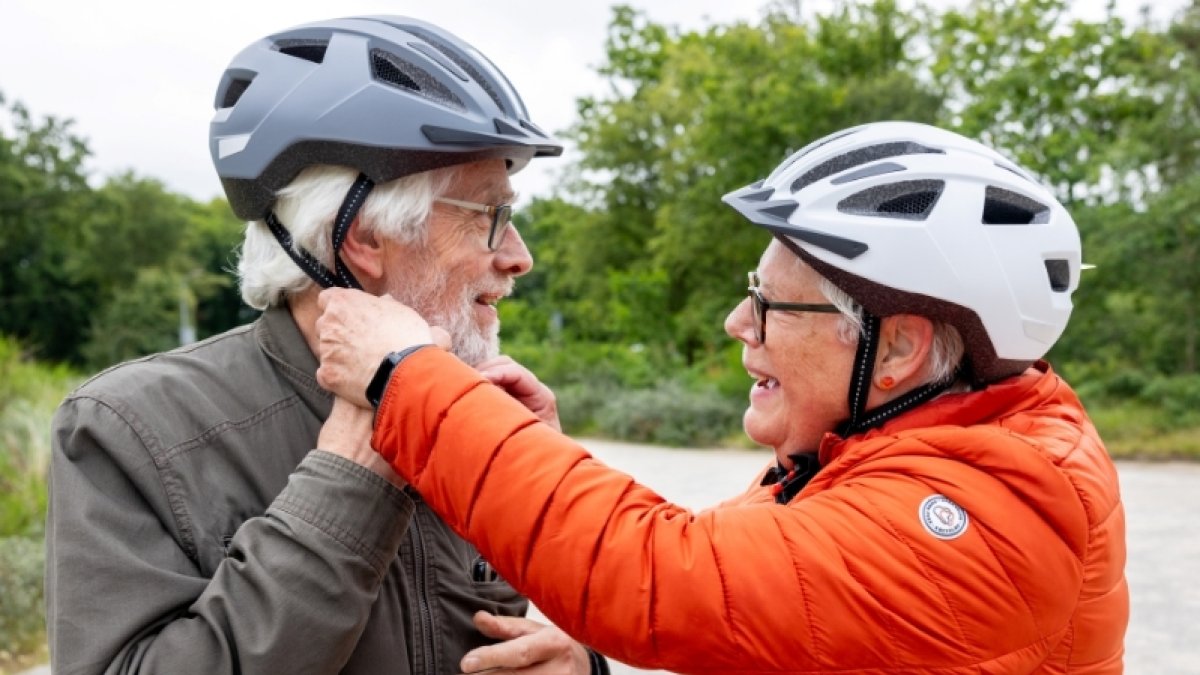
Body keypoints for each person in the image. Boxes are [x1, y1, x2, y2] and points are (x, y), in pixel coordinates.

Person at [314, 121, 1129, 673]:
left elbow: (662, 573)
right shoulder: (901, 452)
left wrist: (402, 376)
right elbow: (740, 581)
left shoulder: (999, 505)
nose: (741, 321)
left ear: (901, 348)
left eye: (773, 302)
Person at [45, 16, 607, 675]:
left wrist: (580, 660)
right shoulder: (128, 431)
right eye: (491, 216)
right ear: (364, 237)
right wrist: (349, 477)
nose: (519, 257)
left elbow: (544, 627)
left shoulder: (484, 411)